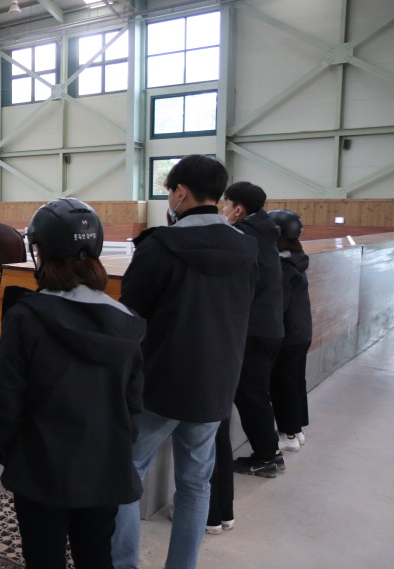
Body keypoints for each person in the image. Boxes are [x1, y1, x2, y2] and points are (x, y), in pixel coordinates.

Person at [0, 198, 145, 569]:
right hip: (104, 468)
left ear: (41, 252)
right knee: (96, 554)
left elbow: (6, 402)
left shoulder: (26, 319)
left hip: (41, 469)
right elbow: (132, 405)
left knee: (43, 557)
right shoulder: (127, 321)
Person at [111, 155, 258, 569]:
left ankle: (123, 563)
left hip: (161, 382)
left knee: (128, 472)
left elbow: (131, 317)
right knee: (195, 484)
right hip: (217, 381)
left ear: (180, 192)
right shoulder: (246, 247)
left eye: (168, 192)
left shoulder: (159, 246)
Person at [221, 182, 286, 478]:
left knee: (251, 395)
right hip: (269, 326)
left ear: (238, 209)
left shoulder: (244, 236)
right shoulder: (264, 232)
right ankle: (270, 452)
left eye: (225, 204)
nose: (222, 210)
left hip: (255, 330)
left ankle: (266, 457)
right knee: (255, 393)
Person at [268, 209, 312, 452]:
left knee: (282, 384)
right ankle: (297, 429)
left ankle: (290, 436)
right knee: (295, 381)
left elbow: (279, 304)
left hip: (288, 333)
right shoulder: (297, 257)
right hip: (301, 331)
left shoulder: (282, 265)